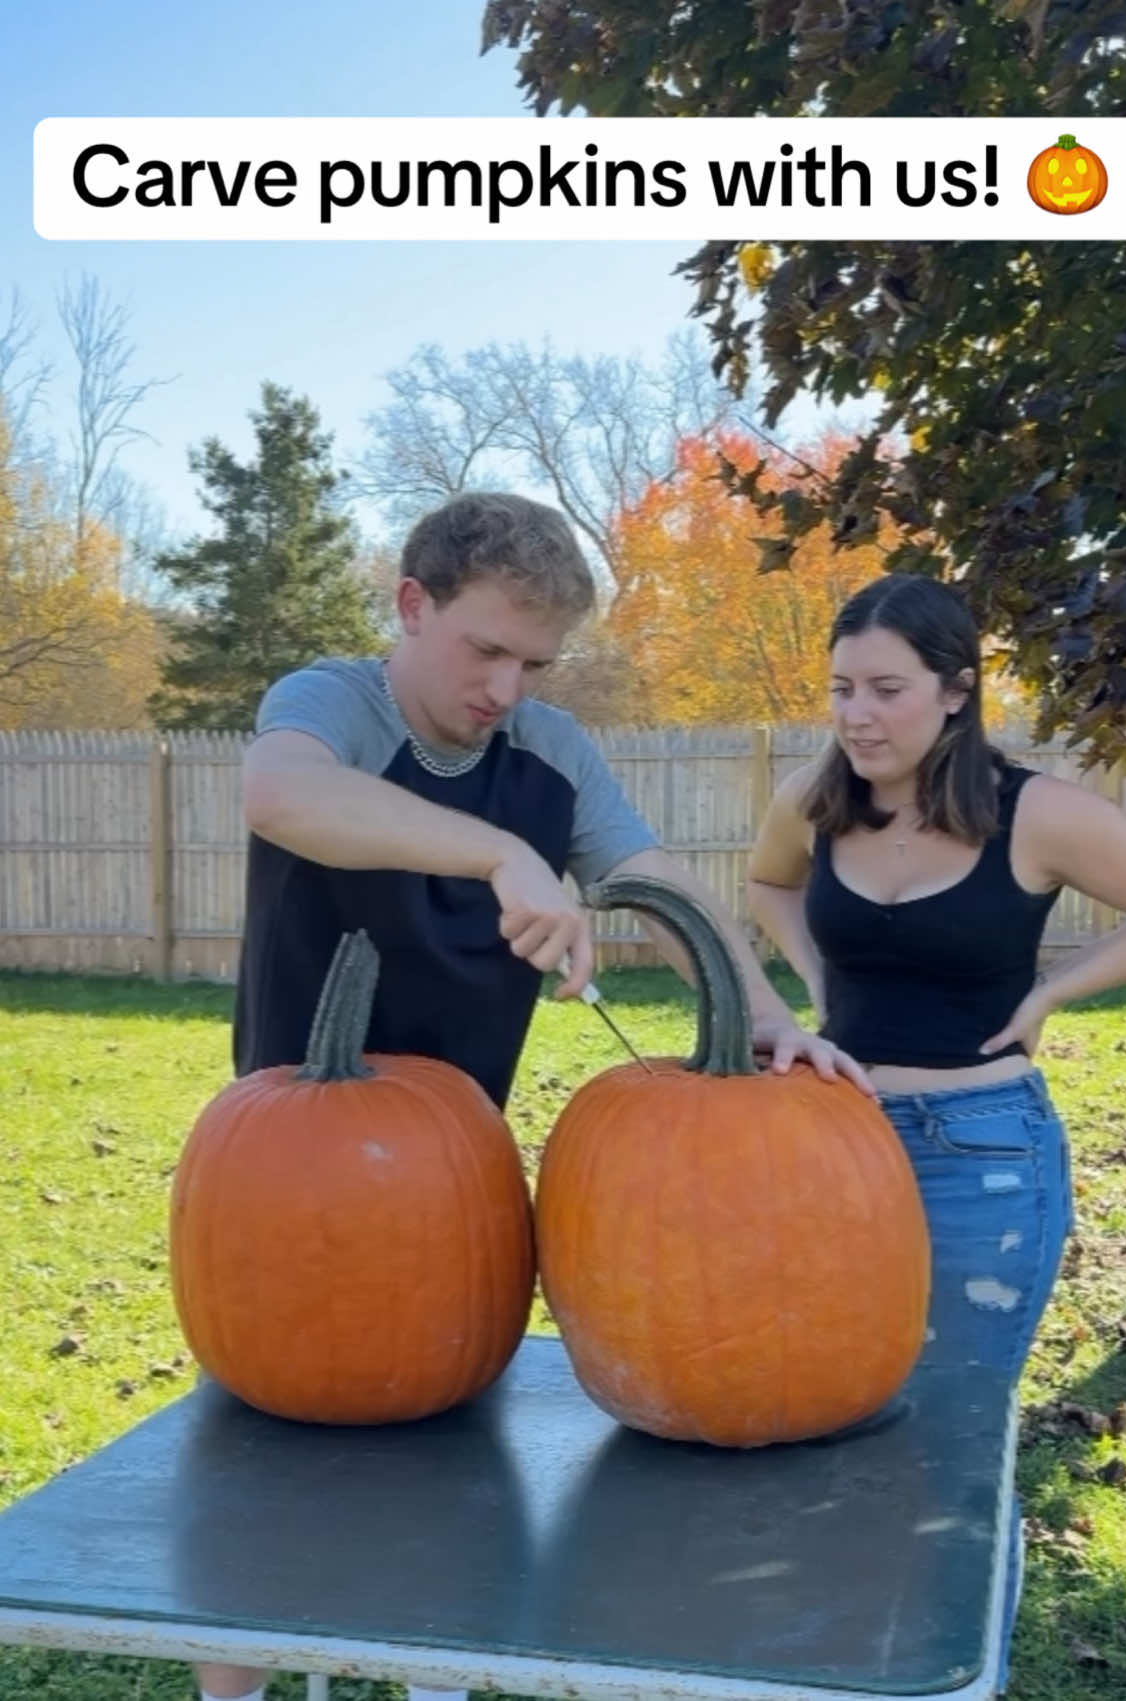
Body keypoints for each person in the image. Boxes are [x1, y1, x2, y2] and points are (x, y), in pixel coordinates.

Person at [197, 490, 871, 1701]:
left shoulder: (550, 753)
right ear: (412, 605)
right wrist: (497, 853)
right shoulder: (329, 702)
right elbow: (281, 798)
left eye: (533, 662)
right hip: (284, 1160)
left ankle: (435, 1675)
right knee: (265, 1481)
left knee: (453, 1447)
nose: (506, 687)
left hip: (457, 1156)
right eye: (485, 649)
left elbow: (650, 876)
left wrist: (766, 1019)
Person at [746, 571, 1126, 1695]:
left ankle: (944, 1672)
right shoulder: (819, 794)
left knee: (951, 1450)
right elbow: (765, 885)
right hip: (832, 1149)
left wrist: (1051, 996)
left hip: (979, 1161)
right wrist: (818, 977)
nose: (856, 715)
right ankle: (846, 1652)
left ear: (953, 691)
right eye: (842, 687)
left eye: (886, 689)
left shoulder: (1033, 812)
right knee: (831, 1420)